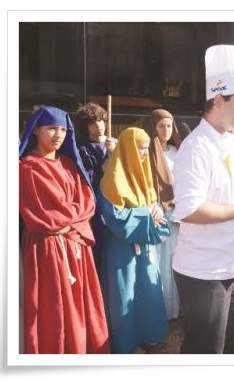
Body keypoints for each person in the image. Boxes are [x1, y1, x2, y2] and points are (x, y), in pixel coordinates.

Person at [171, 45, 234, 354]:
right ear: (218, 99)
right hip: (204, 274)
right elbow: (191, 209)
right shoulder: (196, 147)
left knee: (231, 348)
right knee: (205, 352)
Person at [19, 105, 110, 354]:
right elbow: (43, 215)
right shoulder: (26, 168)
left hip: (76, 246)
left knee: (82, 307)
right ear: (36, 130)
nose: (58, 135)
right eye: (51, 129)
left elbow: (88, 203)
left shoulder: (70, 164)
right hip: (47, 250)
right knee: (54, 311)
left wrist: (69, 221)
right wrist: (73, 220)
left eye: (62, 129)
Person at [98, 127, 170, 354]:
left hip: (146, 246)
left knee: (148, 292)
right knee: (124, 294)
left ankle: (150, 336)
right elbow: (113, 217)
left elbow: (152, 202)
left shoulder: (144, 175)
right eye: (140, 150)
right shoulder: (111, 180)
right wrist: (147, 214)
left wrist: (157, 210)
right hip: (123, 250)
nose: (143, 155)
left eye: (146, 150)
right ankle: (126, 344)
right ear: (128, 150)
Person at [74, 102, 118, 273]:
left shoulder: (115, 143)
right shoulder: (81, 148)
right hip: (95, 206)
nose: (98, 126)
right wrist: (102, 168)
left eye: (101, 121)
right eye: (93, 123)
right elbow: (83, 179)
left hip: (116, 203)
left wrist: (115, 152)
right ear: (85, 126)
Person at [147, 109, 182, 320]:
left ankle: (176, 309)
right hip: (158, 215)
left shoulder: (177, 152)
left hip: (177, 213)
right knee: (160, 263)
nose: (165, 130)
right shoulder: (147, 152)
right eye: (161, 126)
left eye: (169, 126)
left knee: (176, 262)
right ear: (153, 127)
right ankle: (162, 311)